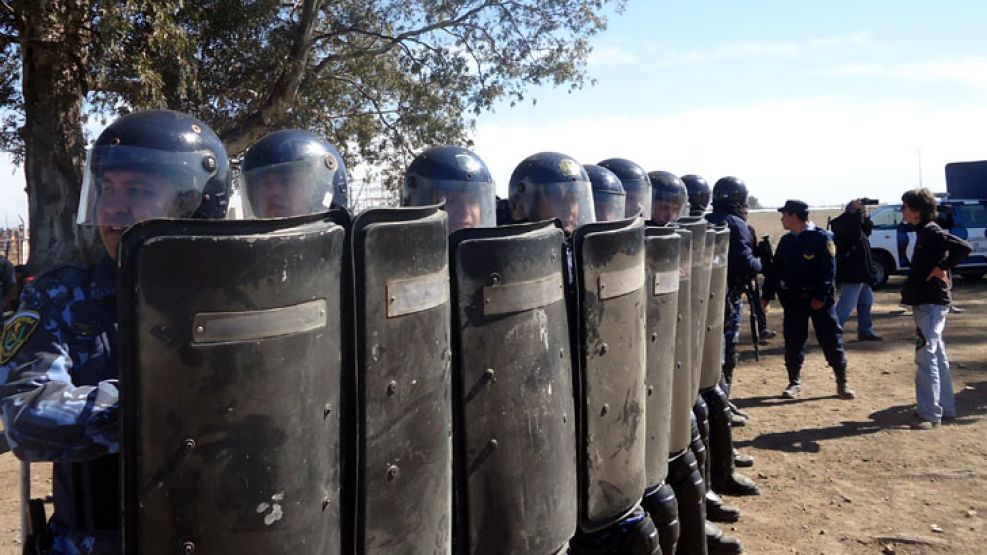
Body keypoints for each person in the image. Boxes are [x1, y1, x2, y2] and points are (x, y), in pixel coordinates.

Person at [0, 109, 231, 554]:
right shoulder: (61, 297)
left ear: (196, 203)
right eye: (106, 189)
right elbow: (27, 418)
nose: (112, 208)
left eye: (138, 189)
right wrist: (166, 403)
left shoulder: (245, 300)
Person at [761, 200, 855, 400]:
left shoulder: (822, 238)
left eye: (784, 214)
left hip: (819, 301)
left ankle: (842, 382)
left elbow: (829, 271)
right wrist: (766, 296)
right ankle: (794, 382)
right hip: (794, 300)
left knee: (831, 339)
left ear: (793, 216)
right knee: (793, 342)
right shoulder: (787, 241)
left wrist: (821, 296)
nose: (782, 218)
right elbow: (776, 270)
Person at [899, 188, 971, 429]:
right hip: (927, 302)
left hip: (931, 303)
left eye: (905, 207)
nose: (902, 211)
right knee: (937, 354)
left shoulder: (931, 231)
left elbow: (963, 247)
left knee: (925, 356)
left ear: (917, 211)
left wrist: (942, 267)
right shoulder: (923, 232)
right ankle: (946, 408)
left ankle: (929, 414)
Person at [704, 177, 762, 397]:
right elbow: (746, 264)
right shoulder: (737, 225)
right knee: (727, 353)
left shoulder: (707, 219)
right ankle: (723, 402)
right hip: (728, 300)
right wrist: (762, 261)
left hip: (706, 298)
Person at [241, 129, 344, 218]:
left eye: (286, 181)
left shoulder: (351, 240)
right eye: (266, 183)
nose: (274, 192)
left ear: (315, 188)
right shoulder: (249, 241)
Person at [402, 146, 496, 232]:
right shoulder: (396, 250)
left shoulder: (495, 250)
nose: (465, 212)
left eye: (472, 201)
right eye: (450, 200)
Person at [831, 199, 882, 341]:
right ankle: (831, 332)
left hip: (862, 272)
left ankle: (865, 331)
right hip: (851, 272)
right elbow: (850, 235)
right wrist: (857, 216)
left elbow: (867, 230)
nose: (863, 213)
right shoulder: (842, 224)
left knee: (866, 302)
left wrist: (865, 218)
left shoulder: (857, 226)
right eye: (860, 211)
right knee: (846, 304)